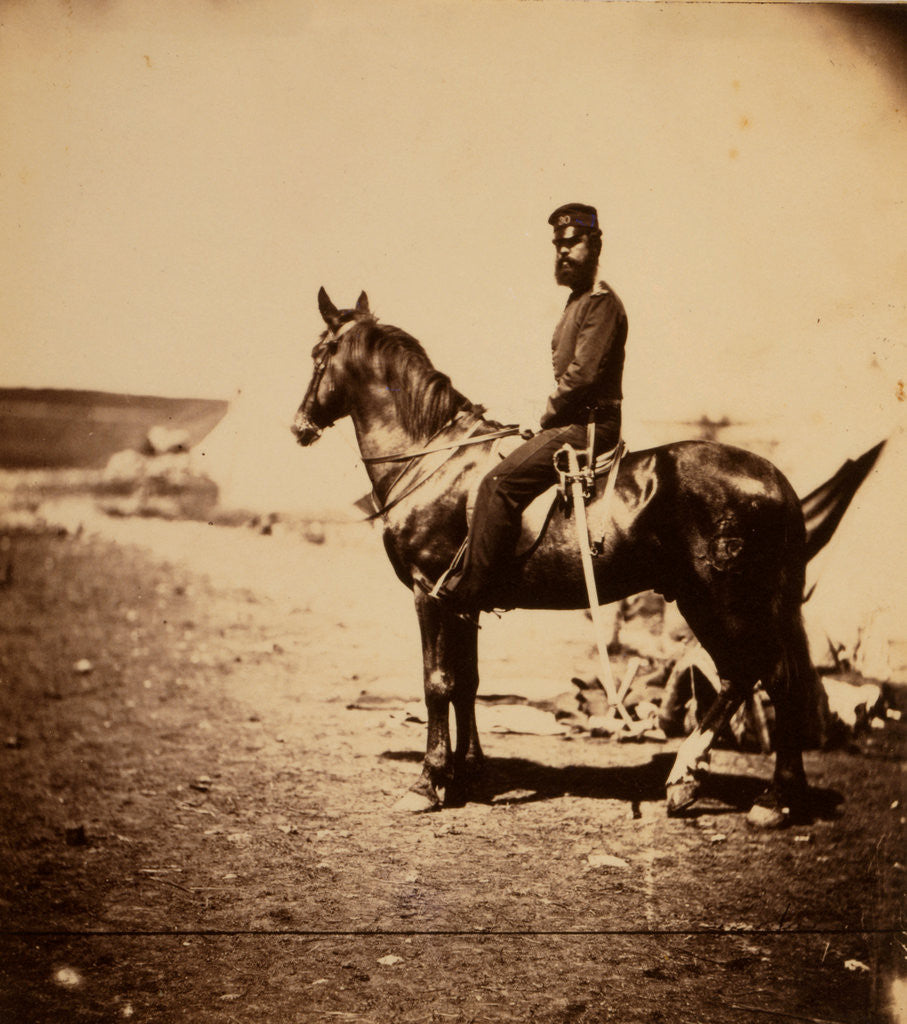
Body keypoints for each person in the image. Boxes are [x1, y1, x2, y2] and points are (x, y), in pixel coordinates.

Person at [434, 202, 628, 617]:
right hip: (573, 419)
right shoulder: (576, 303)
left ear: (595, 245)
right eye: (558, 243)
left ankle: (476, 591)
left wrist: (540, 419)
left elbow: (581, 378)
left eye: (573, 242)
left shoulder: (602, 304)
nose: (563, 251)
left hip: (590, 425)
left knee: (498, 484)